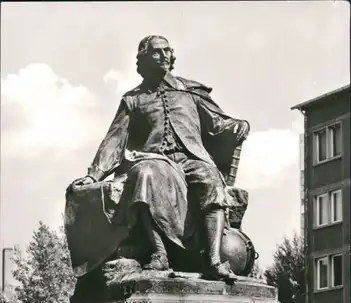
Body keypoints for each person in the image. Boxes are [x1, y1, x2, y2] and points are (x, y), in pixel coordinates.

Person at [69, 35, 250, 281]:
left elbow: (217, 123)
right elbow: (114, 141)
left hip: (192, 158)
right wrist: (93, 175)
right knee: (146, 175)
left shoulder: (190, 91)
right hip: (154, 158)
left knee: (211, 181)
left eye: (167, 51)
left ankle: (214, 261)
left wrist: (238, 125)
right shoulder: (133, 100)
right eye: (156, 52)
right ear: (143, 59)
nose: (164, 56)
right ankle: (159, 253)